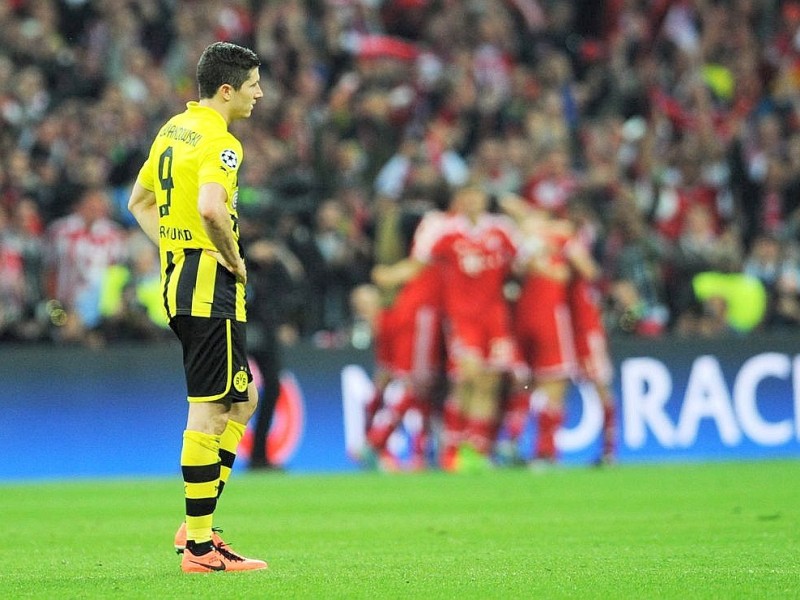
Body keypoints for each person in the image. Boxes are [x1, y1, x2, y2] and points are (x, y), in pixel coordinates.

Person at [127, 41, 268, 573]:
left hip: (180, 283)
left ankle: (197, 523)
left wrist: (175, 248)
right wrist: (231, 256)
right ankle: (202, 548)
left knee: (242, 401)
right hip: (211, 285)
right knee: (210, 409)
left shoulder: (172, 129)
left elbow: (138, 202)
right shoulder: (221, 142)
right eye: (253, 84)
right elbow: (212, 207)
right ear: (227, 90)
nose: (260, 94)